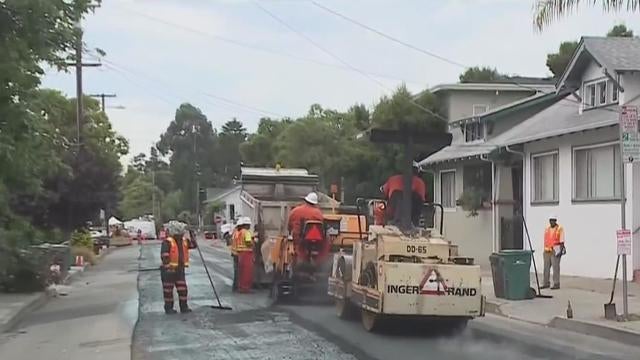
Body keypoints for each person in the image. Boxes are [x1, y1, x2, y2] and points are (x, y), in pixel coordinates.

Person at [160, 221, 197, 314]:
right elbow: (164, 256)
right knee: (168, 291)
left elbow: (193, 245)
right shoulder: (167, 242)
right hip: (168, 271)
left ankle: (184, 307)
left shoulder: (184, 241)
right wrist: (168, 267)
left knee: (183, 290)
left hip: (179, 270)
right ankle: (168, 308)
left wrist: (192, 234)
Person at [381, 161, 426, 226]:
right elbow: (422, 200)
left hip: (393, 214)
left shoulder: (393, 179)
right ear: (417, 171)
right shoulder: (420, 182)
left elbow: (383, 191)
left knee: (380, 210)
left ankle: (394, 222)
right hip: (413, 217)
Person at [542, 214, 565, 290]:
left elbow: (562, 241)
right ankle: (546, 283)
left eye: (553, 220)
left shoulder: (559, 229)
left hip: (556, 249)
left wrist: (560, 251)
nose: (551, 222)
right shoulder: (547, 229)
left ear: (555, 221)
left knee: (555, 268)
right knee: (546, 268)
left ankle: (556, 283)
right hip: (547, 250)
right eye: (550, 220)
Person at [233, 217, 254, 293]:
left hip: (240, 253)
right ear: (247, 225)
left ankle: (241, 287)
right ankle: (245, 288)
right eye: (249, 225)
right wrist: (253, 243)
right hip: (247, 253)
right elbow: (248, 242)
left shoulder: (239, 232)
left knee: (241, 271)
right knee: (247, 272)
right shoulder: (247, 232)